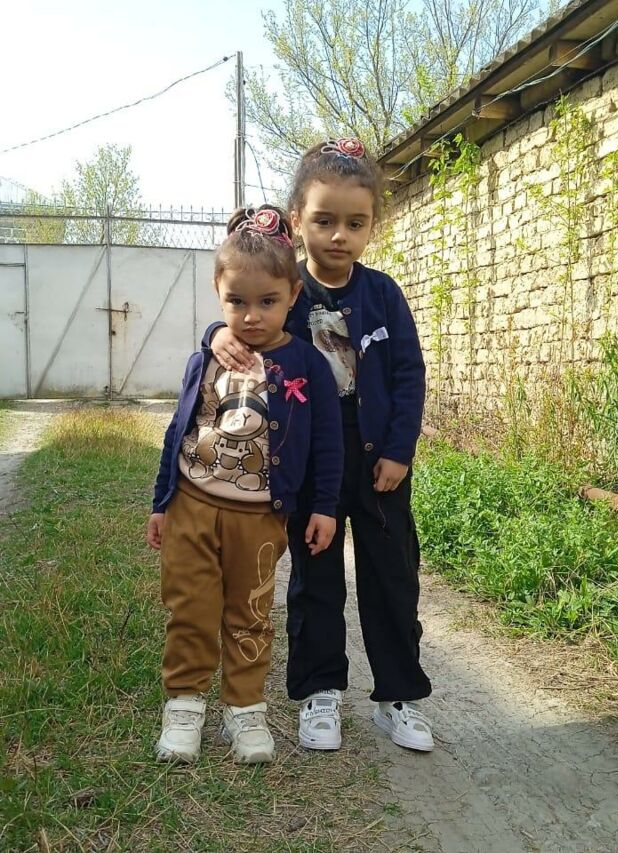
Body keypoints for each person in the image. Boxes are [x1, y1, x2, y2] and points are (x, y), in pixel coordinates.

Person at [211, 139, 434, 753]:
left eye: (355, 223)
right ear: (297, 220)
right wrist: (214, 336)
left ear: (372, 225)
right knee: (315, 580)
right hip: (310, 465)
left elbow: (409, 374)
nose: (340, 236)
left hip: (380, 462)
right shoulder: (287, 293)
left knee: (393, 577)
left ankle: (399, 696)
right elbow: (242, 316)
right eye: (324, 220)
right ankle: (320, 693)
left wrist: (400, 449)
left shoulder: (383, 294)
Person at [147, 206, 343, 765]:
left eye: (267, 302)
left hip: (259, 518)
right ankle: (184, 705)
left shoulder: (308, 363)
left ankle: (244, 709)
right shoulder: (208, 356)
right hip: (192, 506)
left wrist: (324, 507)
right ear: (218, 292)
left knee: (250, 613)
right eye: (236, 302)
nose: (251, 316)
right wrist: (162, 501)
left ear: (293, 294)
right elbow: (179, 429)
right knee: (190, 608)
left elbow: (328, 442)